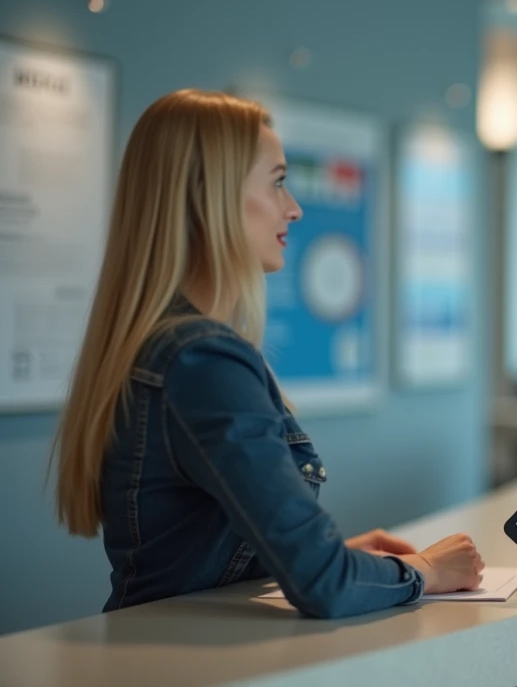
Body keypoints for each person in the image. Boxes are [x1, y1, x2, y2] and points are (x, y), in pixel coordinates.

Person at [52, 89, 483, 618]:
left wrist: (333, 557)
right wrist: (426, 571)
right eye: (278, 182)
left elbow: (196, 560)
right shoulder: (202, 361)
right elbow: (324, 584)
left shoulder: (166, 347)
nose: (294, 208)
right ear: (209, 197)